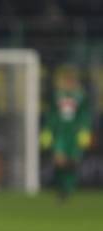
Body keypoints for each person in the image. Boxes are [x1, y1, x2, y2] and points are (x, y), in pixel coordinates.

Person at [40, 66, 92, 200]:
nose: (67, 83)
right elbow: (51, 114)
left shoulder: (81, 96)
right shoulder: (57, 95)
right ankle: (62, 188)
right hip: (60, 133)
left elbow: (85, 115)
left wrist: (85, 130)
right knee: (59, 161)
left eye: (70, 80)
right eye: (65, 80)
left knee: (73, 162)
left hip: (74, 133)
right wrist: (48, 130)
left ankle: (68, 189)